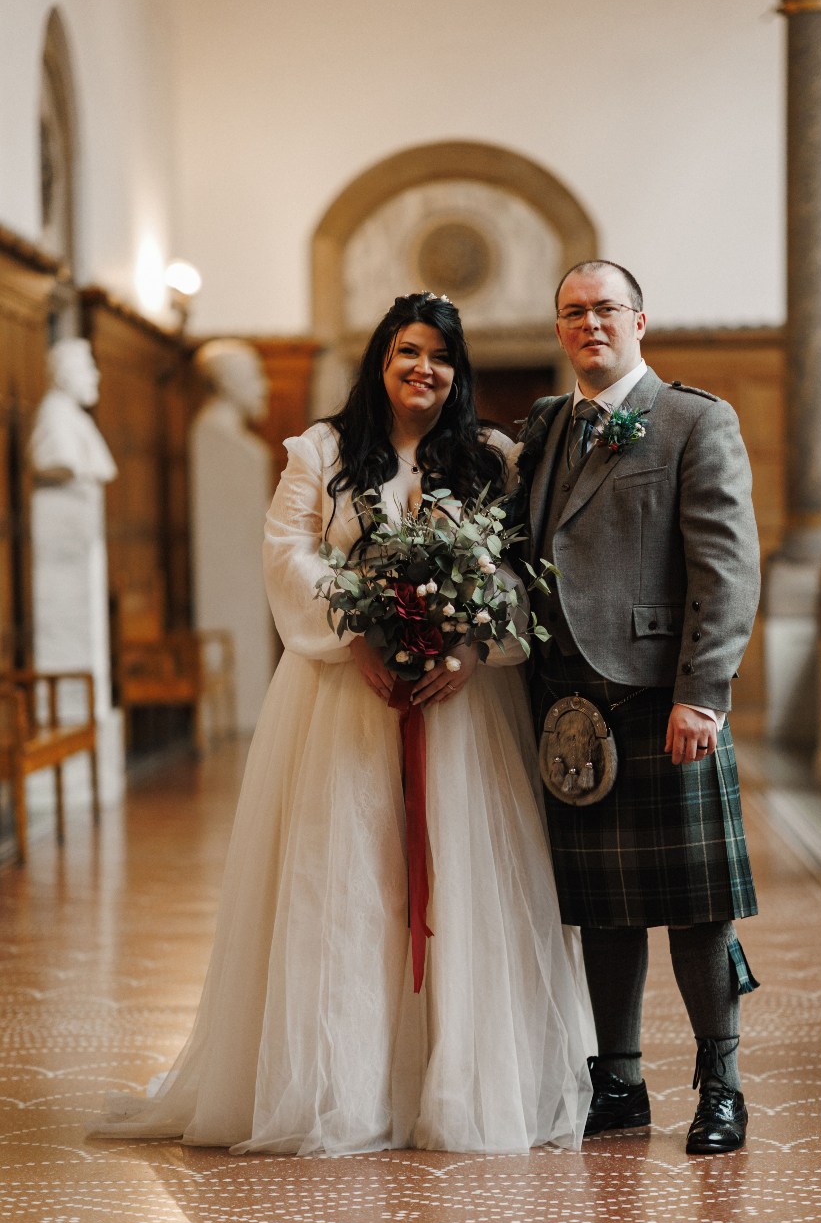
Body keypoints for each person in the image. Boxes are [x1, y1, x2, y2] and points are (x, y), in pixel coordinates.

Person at [89, 291, 592, 1157]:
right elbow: (287, 553)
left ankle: (457, 1078)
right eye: (407, 352)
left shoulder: (490, 458)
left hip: (461, 707)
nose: (423, 369)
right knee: (352, 876)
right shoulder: (321, 450)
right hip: (342, 700)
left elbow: (515, 568)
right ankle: (346, 1086)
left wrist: (470, 644)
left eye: (440, 356)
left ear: (458, 371)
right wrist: (358, 631)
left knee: (461, 876)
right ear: (380, 361)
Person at [516, 260, 761, 1155]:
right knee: (602, 908)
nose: (590, 324)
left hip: (661, 698)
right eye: (572, 312)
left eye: (605, 309)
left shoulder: (695, 419)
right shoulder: (546, 425)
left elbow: (725, 567)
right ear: (558, 329)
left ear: (639, 321)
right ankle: (617, 1083)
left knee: (698, 908)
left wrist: (702, 694)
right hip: (566, 707)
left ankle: (721, 1088)